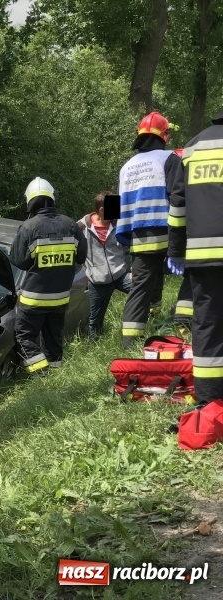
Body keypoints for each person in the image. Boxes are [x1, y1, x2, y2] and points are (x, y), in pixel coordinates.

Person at [167, 109, 223, 408]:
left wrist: (176, 251)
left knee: (207, 325)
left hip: (201, 256)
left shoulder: (191, 148)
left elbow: (177, 208)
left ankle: (208, 403)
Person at [116, 112, 182, 349]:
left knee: (139, 291)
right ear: (164, 136)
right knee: (194, 280)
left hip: (138, 238)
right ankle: (183, 332)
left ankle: (129, 346)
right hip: (168, 233)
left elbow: (117, 206)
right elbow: (179, 197)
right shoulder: (169, 158)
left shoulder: (125, 168)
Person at [10, 177, 87, 375]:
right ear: (52, 198)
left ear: (30, 201)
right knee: (54, 338)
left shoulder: (29, 227)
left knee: (24, 336)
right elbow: (81, 257)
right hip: (60, 297)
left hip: (33, 299)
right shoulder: (71, 225)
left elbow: (18, 261)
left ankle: (42, 374)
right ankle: (55, 375)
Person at [77, 192, 131, 338]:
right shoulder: (81, 228)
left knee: (142, 291)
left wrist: (133, 270)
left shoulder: (119, 224)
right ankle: (95, 346)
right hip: (98, 281)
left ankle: (137, 327)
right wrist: (88, 270)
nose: (118, 212)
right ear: (101, 210)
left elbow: (130, 247)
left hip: (120, 274)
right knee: (95, 320)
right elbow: (75, 253)